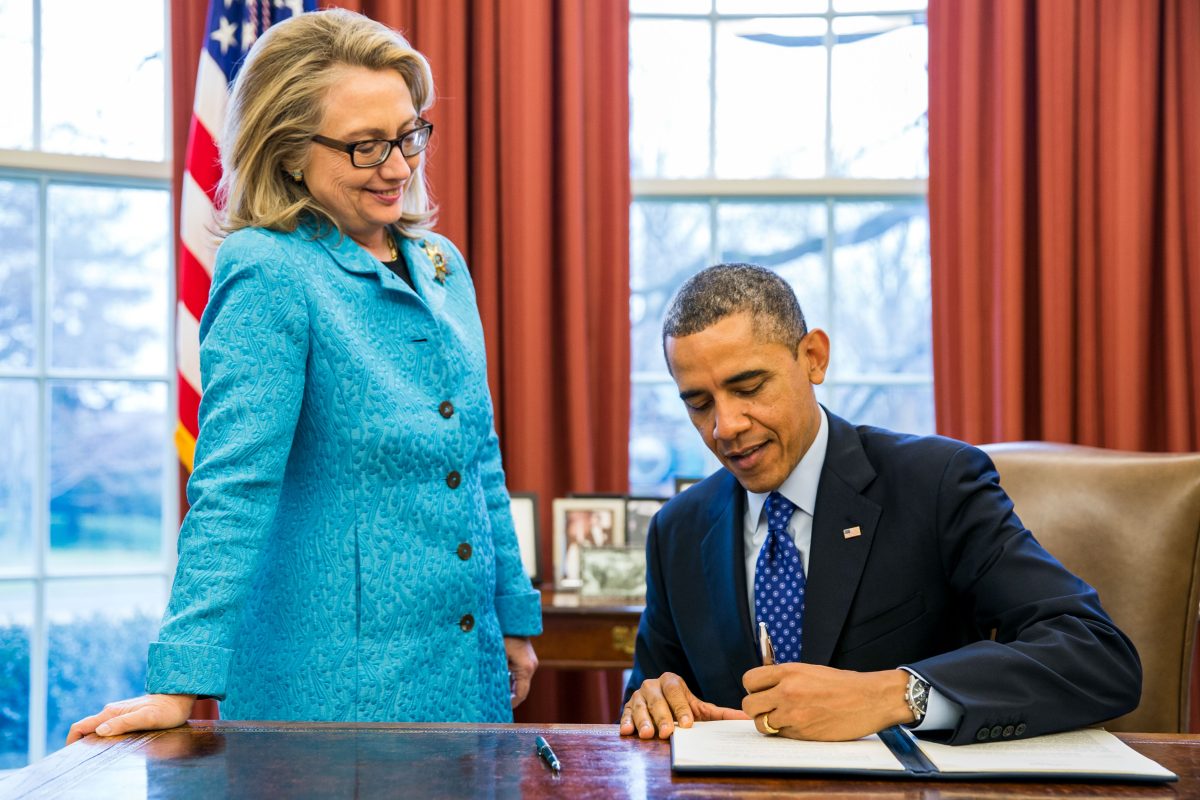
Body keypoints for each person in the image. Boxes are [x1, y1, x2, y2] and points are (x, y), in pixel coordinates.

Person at [68, 9, 540, 744]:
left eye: (410, 133)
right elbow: (233, 486)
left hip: (468, 670)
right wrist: (179, 680)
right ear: (288, 151)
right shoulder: (270, 269)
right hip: (336, 695)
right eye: (365, 147)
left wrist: (514, 617)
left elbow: (477, 457)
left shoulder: (444, 265)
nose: (399, 166)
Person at [620, 263, 1141, 746]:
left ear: (814, 358)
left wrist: (891, 695)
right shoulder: (678, 530)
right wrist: (650, 702)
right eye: (699, 402)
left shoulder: (936, 483)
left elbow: (1097, 656)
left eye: (749, 387)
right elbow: (647, 696)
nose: (724, 426)